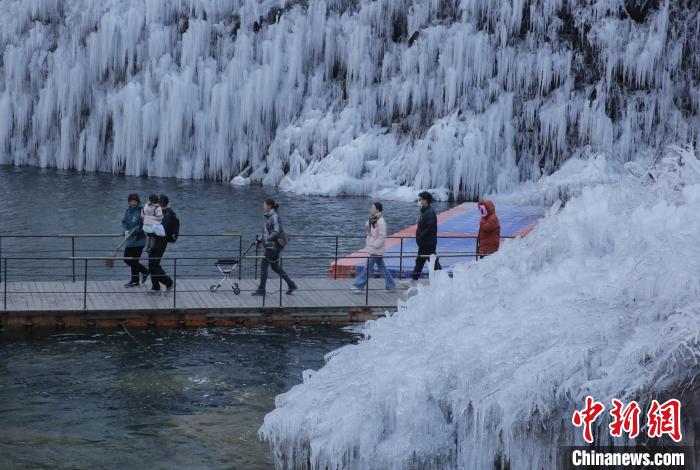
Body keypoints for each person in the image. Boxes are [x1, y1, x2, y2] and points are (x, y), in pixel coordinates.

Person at [252, 199, 297, 296]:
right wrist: (259, 240)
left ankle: (261, 290)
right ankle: (291, 284)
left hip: (272, 247)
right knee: (275, 266)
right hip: (272, 246)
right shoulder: (269, 216)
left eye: (264, 205)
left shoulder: (274, 217)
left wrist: (267, 240)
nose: (263, 207)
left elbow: (277, 231)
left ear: (269, 206)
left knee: (264, 266)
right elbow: (267, 232)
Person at [351, 202, 396, 293]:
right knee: (383, 268)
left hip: (376, 249)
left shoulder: (381, 221)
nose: (371, 209)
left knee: (368, 267)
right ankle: (391, 285)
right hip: (373, 247)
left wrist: (374, 245)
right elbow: (369, 233)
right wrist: (369, 243)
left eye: (373, 208)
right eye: (371, 207)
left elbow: (382, 236)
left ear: (378, 210)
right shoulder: (372, 219)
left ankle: (359, 286)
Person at [404, 191, 441, 284]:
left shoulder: (429, 212)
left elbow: (430, 228)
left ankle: (442, 279)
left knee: (433, 262)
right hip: (424, 243)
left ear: (425, 200)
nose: (419, 201)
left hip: (428, 243)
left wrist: (420, 237)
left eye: (420, 199)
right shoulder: (425, 211)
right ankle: (413, 280)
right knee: (421, 261)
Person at [147, 194, 174, 295]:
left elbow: (161, 228)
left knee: (153, 265)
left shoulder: (167, 214)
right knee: (152, 265)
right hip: (154, 242)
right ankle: (155, 286)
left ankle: (168, 282)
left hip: (160, 243)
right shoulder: (162, 212)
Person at [121, 193, 149, 288]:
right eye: (131, 201)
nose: (133, 203)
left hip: (139, 240)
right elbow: (124, 222)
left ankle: (135, 280)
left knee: (134, 260)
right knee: (127, 259)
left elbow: (143, 225)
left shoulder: (141, 211)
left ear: (138, 201)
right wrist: (125, 230)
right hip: (129, 240)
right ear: (129, 202)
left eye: (135, 201)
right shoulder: (128, 211)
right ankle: (144, 271)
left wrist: (134, 231)